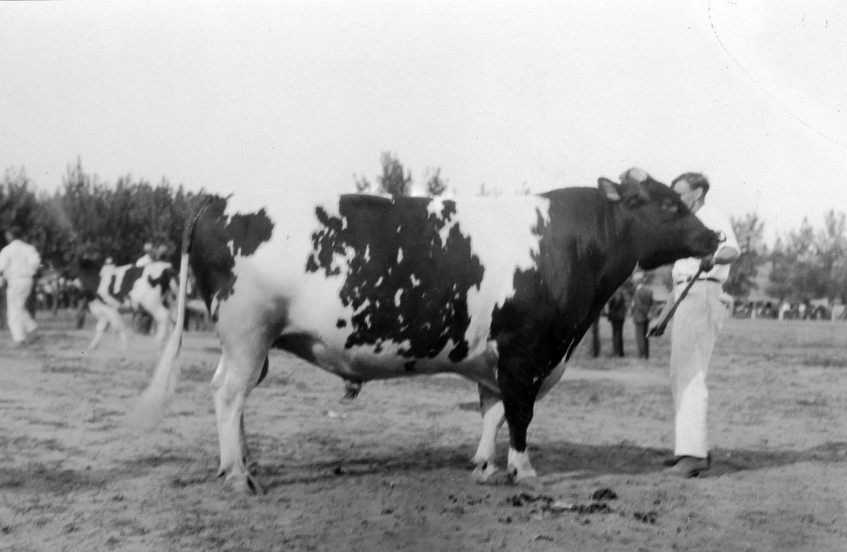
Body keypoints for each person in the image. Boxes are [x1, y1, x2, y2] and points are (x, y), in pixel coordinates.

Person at [649, 172, 739, 478]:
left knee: (690, 374)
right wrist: (663, 317)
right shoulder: (688, 222)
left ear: (698, 192)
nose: (676, 198)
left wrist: (713, 257)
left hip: (703, 292)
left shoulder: (710, 215)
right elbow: (681, 278)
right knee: (681, 374)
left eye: (680, 193)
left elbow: (732, 250)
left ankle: (694, 455)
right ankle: (689, 448)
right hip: (687, 293)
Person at [0, 227, 42, 346]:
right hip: (27, 280)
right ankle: (32, 329)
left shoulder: (7, 250)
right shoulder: (29, 249)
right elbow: (36, 263)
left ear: (9, 235)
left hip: (14, 281)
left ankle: (19, 339)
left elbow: (1, 267)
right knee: (19, 307)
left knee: (13, 311)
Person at [631, 271, 654, 359]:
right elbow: (651, 304)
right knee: (645, 336)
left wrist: (645, 313)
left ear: (637, 281)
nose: (633, 282)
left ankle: (642, 355)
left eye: (634, 281)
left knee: (639, 337)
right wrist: (649, 314)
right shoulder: (649, 291)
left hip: (639, 317)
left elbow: (639, 306)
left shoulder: (637, 292)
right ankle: (646, 354)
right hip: (646, 318)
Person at [606, 288, 628, 357]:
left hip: (616, 317)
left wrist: (609, 314)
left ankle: (617, 352)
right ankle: (620, 352)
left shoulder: (615, 295)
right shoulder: (622, 294)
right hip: (620, 317)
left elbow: (613, 307)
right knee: (619, 335)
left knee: (616, 334)